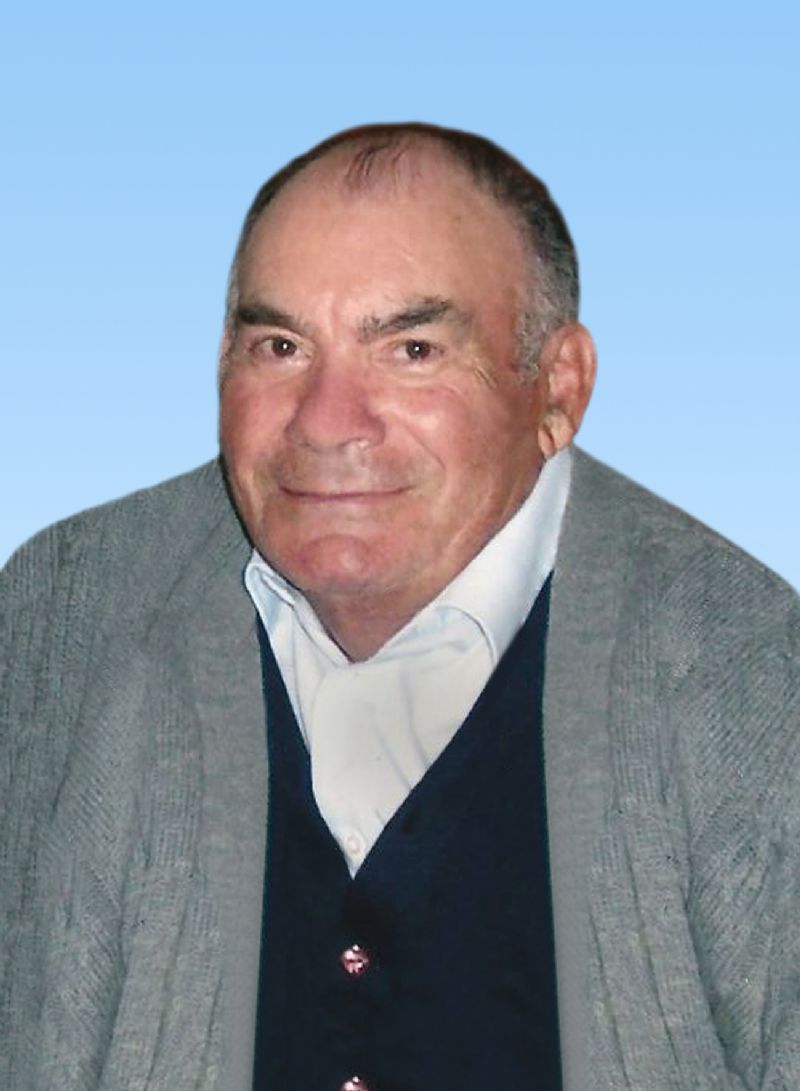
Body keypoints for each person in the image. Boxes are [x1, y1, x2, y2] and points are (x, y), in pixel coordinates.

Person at [2, 123, 799, 1091]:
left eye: (411, 348)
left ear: (557, 388)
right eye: (280, 345)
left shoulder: (750, 672)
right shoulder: (61, 616)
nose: (325, 421)